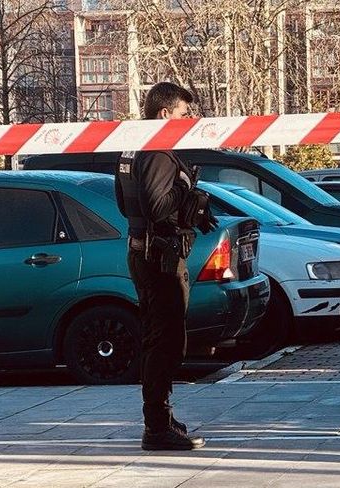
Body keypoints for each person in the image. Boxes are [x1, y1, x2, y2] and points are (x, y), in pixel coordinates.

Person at [115, 81, 216, 452]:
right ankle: (156, 426)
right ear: (164, 115)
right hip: (160, 256)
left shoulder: (130, 146)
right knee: (166, 341)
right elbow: (158, 206)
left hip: (144, 250)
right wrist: (186, 185)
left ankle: (161, 417)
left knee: (159, 336)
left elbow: (127, 205)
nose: (188, 121)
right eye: (184, 115)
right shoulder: (157, 149)